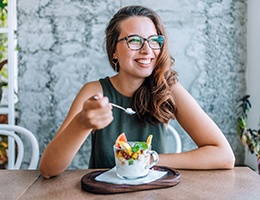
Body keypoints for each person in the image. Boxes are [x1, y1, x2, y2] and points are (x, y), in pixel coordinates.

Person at [40, 5, 235, 178]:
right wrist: (81, 123)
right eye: (134, 40)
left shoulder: (167, 88)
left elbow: (224, 156)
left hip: (154, 194)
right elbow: (49, 169)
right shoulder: (95, 91)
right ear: (114, 50)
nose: (146, 50)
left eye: (153, 40)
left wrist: (150, 159)